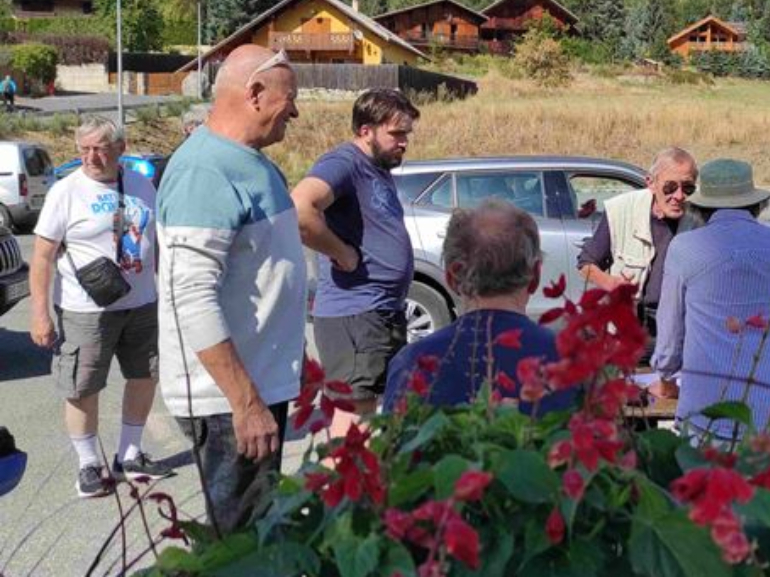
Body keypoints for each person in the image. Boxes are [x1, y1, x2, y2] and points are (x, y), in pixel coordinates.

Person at [156, 45, 305, 535]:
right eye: (290, 98)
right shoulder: (205, 172)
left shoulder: (246, 161)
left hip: (255, 385)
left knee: (258, 537)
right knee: (239, 547)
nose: (295, 112)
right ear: (255, 93)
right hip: (227, 402)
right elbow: (190, 297)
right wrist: (245, 403)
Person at [29, 115, 171, 498]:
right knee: (83, 385)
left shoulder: (141, 184)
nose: (92, 157)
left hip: (142, 303)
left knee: (145, 375)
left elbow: (157, 242)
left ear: (121, 149)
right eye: (85, 149)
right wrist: (40, 314)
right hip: (85, 310)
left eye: (101, 149)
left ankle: (130, 454)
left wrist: (168, 291)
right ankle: (89, 464)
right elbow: (42, 257)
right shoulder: (66, 192)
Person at [652, 159, 770, 440]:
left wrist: (666, 378)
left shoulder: (684, 248)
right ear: (756, 205)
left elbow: (669, 337)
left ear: (701, 208)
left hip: (712, 415)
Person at [292, 89, 419, 439]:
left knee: (371, 418)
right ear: (366, 131)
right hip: (355, 315)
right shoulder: (344, 163)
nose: (404, 142)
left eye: (407, 133)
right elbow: (300, 208)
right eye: (396, 133)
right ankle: (337, 477)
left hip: (378, 312)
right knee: (353, 421)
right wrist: (341, 253)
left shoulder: (376, 168)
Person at [382, 200, 574, 414]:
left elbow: (395, 434)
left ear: (452, 277)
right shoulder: (572, 363)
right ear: (536, 275)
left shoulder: (411, 364)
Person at [576, 147, 698, 344]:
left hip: (679, 331)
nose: (679, 196)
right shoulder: (621, 210)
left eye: (688, 188)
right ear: (651, 183)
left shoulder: (698, 221)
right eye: (670, 187)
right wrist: (611, 283)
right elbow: (585, 264)